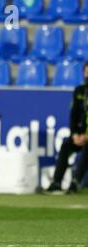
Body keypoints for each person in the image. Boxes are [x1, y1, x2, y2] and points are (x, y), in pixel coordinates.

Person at [46, 62, 88, 194]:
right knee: (66, 146)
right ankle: (56, 182)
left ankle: (75, 182)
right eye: (86, 71)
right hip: (80, 135)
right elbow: (73, 114)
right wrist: (75, 134)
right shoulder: (79, 91)